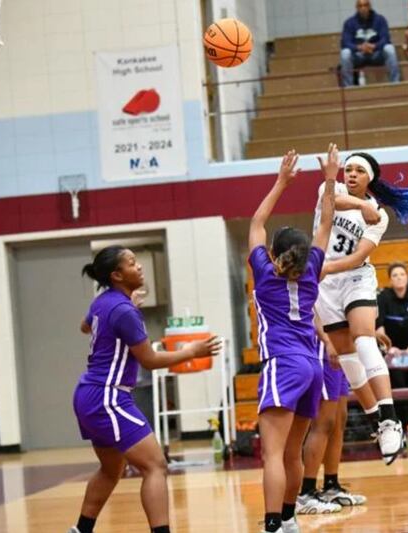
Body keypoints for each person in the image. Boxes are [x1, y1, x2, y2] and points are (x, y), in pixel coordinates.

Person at [70, 246, 220, 533]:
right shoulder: (124, 311)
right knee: (155, 465)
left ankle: (81, 530)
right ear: (117, 275)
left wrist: (120, 314)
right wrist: (191, 351)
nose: (139, 267)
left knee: (111, 469)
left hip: (88, 394)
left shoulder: (103, 302)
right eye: (131, 263)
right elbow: (150, 360)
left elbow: (84, 327)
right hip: (107, 396)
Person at [314, 151, 408, 465]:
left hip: (354, 276)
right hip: (325, 284)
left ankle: (391, 419)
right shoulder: (331, 189)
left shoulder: (380, 214)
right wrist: (362, 204)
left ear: (370, 178)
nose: (350, 174)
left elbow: (355, 257)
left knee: (364, 338)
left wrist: (369, 208)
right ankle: (377, 422)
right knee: (347, 359)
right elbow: (331, 203)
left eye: (358, 171)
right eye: (347, 169)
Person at [249, 146, 338, 533]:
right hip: (312, 366)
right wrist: (331, 179)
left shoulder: (265, 276)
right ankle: (288, 520)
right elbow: (326, 225)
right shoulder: (313, 270)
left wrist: (282, 182)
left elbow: (256, 222)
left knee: (272, 454)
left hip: (283, 365)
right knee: (292, 451)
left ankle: (271, 525)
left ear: (274, 254)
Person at [297, 328, 367, 514]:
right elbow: (316, 310)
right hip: (324, 346)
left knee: (339, 418)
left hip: (342, 344)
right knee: (323, 421)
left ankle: (331, 485)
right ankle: (306, 492)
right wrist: (327, 340)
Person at [376, 262, 408, 431]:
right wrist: (388, 348)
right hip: (394, 351)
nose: (399, 278)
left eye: (402, 274)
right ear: (390, 279)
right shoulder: (384, 297)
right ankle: (403, 423)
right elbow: (379, 324)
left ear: (407, 277)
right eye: (395, 275)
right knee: (398, 384)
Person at [340, 0, 400, 87]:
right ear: (356, 8)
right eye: (360, 6)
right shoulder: (349, 22)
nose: (363, 8)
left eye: (365, 5)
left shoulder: (380, 19)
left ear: (370, 6)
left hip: (376, 54)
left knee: (389, 48)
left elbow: (385, 38)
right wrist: (360, 47)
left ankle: (395, 84)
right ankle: (348, 88)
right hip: (358, 55)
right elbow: (345, 42)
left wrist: (374, 46)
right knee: (345, 53)